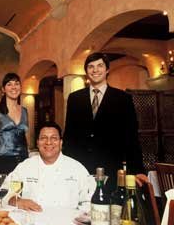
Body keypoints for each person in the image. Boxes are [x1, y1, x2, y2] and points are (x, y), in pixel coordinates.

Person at [63, 52, 147, 188]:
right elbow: (69, 135)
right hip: (81, 167)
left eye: (100, 66)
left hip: (111, 167)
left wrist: (137, 170)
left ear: (107, 69)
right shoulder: (75, 98)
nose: (95, 70)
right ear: (86, 71)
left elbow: (131, 137)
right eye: (91, 66)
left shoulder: (123, 98)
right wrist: (65, 165)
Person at [2, 121, 94, 212]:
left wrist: (77, 216)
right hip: (32, 219)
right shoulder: (25, 167)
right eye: (43, 138)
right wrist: (18, 201)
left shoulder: (77, 168)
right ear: (37, 143)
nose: (48, 142)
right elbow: (5, 191)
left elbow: (90, 200)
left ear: (61, 143)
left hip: (68, 220)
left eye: (54, 138)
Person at [0, 72, 28, 174]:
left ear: (20, 87)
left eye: (17, 83)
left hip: (23, 160)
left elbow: (25, 138)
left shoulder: (24, 111)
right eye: (9, 84)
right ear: (3, 89)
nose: (14, 87)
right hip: (2, 161)